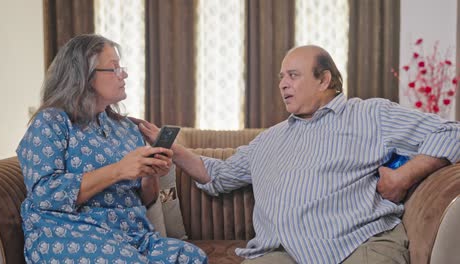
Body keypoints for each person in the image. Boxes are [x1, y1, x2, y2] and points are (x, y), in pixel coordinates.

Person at [134, 45, 460, 264]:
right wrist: (174, 150)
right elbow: (217, 175)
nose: (282, 84)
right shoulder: (270, 139)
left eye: (293, 75)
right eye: (281, 77)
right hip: (284, 253)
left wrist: (404, 175)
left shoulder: (370, 114)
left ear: (325, 80)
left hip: (363, 242)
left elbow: (450, 132)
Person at [16, 34, 207, 264]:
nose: (124, 74)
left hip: (129, 236)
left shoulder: (126, 128)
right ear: (84, 76)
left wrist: (151, 175)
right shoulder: (51, 122)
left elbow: (144, 199)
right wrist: (119, 170)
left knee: (191, 257)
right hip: (68, 233)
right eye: (114, 68)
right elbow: (44, 194)